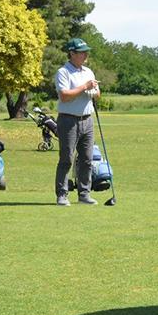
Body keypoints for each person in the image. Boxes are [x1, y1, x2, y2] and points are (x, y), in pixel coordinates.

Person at [54, 38, 100, 206]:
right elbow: (64, 96)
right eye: (82, 52)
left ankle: (84, 194)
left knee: (87, 159)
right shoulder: (63, 72)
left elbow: (97, 94)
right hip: (68, 120)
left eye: (86, 51)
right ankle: (62, 194)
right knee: (66, 158)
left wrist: (93, 91)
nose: (85, 54)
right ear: (72, 53)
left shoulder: (88, 72)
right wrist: (84, 88)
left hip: (87, 120)